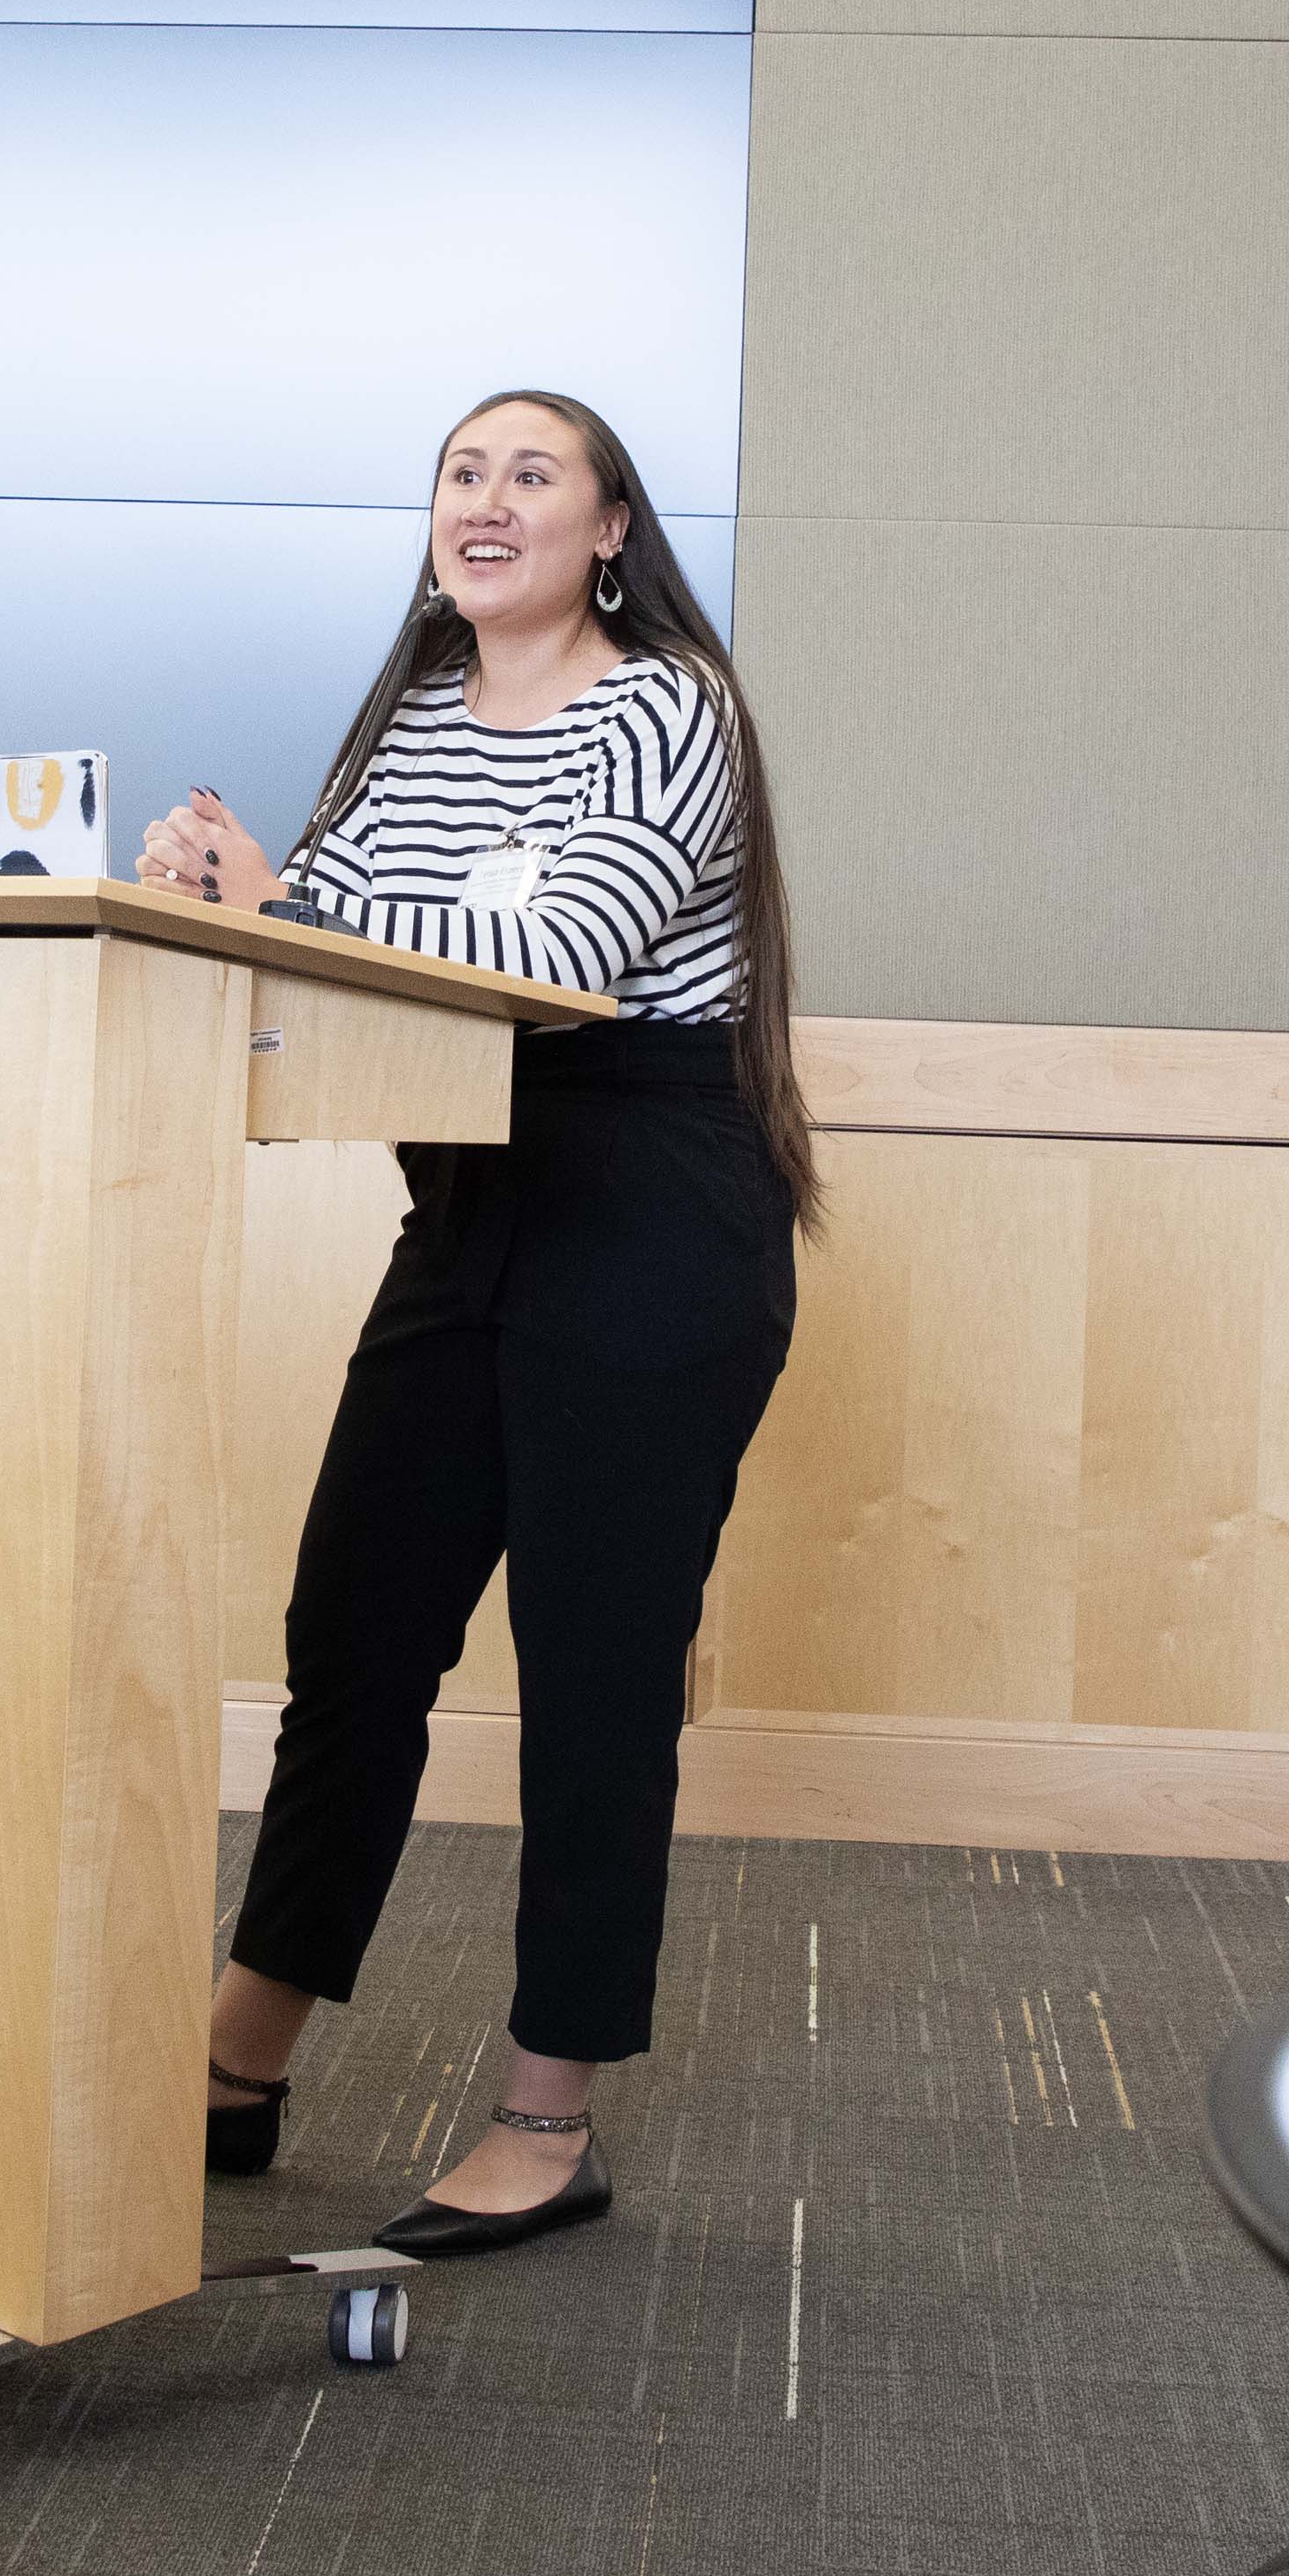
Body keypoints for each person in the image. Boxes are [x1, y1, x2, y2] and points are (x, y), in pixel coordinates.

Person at [134, 388, 817, 2258]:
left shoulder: (670, 704)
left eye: (533, 472)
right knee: (353, 1633)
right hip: (471, 1206)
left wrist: (307, 901)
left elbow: (563, 962)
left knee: (595, 1672)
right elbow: (342, 951)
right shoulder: (419, 722)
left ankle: (546, 2112)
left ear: (611, 528)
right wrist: (230, 900)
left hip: (653, 1208)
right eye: (460, 470)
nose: (486, 499)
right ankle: (242, 2048)